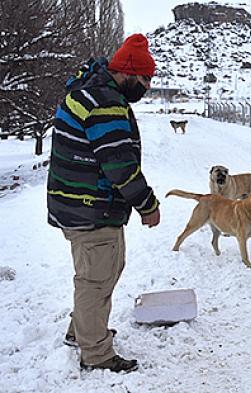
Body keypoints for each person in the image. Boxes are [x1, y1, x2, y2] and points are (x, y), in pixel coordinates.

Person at [47, 34, 160, 373]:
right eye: (143, 81)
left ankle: (82, 330)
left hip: (78, 202)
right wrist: (147, 204)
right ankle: (95, 353)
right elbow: (119, 164)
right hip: (89, 205)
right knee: (96, 278)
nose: (146, 88)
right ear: (126, 73)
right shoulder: (104, 101)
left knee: (105, 268)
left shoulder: (90, 89)